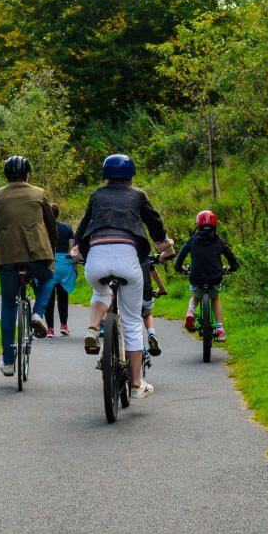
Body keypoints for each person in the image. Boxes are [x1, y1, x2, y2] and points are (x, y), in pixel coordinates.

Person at [73, 154, 174, 399]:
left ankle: (92, 327)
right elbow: (155, 222)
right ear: (131, 176)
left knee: (101, 291)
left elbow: (83, 226)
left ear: (105, 176)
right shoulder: (138, 195)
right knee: (130, 320)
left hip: (96, 257)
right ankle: (137, 383)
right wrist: (164, 246)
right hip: (128, 258)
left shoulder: (96, 195)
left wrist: (77, 249)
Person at [0, 155, 58, 377]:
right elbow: (51, 225)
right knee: (47, 278)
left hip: (7, 257)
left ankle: (8, 362)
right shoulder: (38, 193)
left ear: (7, 175)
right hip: (37, 254)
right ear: (28, 174)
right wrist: (51, 252)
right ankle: (37, 313)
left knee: (8, 305)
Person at [175, 210, 239, 343]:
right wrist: (232, 268)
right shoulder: (219, 241)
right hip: (214, 278)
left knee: (195, 296)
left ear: (197, 225)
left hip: (196, 278)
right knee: (215, 297)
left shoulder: (192, 240)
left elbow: (179, 259)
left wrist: (180, 268)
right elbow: (232, 259)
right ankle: (220, 329)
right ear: (214, 226)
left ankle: (190, 312)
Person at [45, 203, 76, 337]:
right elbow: (72, 249)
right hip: (64, 265)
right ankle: (64, 325)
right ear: (58, 214)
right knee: (63, 296)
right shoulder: (67, 227)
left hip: (50, 264)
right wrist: (74, 266)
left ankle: (50, 329)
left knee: (49, 298)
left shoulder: (42, 228)